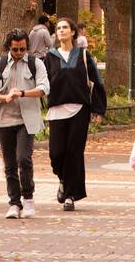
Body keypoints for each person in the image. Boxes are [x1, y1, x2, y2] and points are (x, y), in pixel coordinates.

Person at [44, 17, 107, 211]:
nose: (61, 30)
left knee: (74, 153)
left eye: (65, 27)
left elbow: (96, 81)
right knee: (56, 153)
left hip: (80, 109)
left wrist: (98, 109)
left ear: (73, 32)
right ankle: (63, 178)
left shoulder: (83, 55)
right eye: (58, 28)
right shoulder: (50, 56)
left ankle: (70, 195)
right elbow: (42, 82)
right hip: (56, 110)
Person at [0, 29, 50, 218]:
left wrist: (22, 93)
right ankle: (14, 203)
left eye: (22, 49)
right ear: (9, 47)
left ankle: (28, 199)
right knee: (9, 164)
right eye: (15, 49)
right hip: (4, 119)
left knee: (23, 159)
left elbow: (44, 87)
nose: (19, 53)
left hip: (27, 119)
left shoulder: (35, 63)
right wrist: (4, 97)